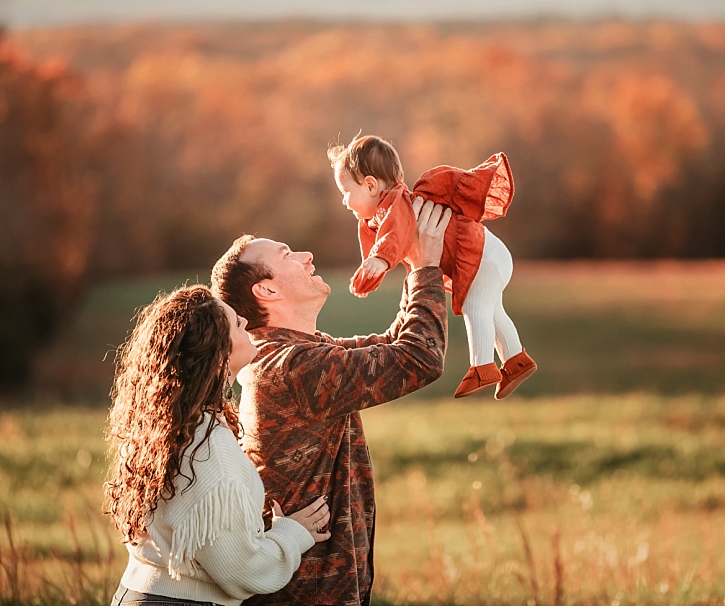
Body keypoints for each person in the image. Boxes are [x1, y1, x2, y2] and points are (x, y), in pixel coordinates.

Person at [209, 198, 451, 605]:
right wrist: (427, 268)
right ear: (266, 289)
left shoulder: (298, 354)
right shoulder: (295, 368)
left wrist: (411, 261)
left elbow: (391, 344)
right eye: (287, 254)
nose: (307, 256)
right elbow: (419, 357)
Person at [104, 284, 332, 606]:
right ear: (219, 354)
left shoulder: (164, 428)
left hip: (135, 595)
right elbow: (242, 570)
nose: (246, 321)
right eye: (237, 324)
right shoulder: (211, 451)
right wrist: (292, 534)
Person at [329, 134, 537, 400]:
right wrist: (370, 273)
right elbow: (384, 241)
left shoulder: (396, 204)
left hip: (483, 256)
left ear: (370, 185)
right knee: (493, 311)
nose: (344, 201)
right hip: (490, 255)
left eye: (346, 192)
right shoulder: (382, 213)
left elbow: (396, 235)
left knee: (476, 307)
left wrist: (380, 260)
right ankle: (517, 361)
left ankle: (482, 367)